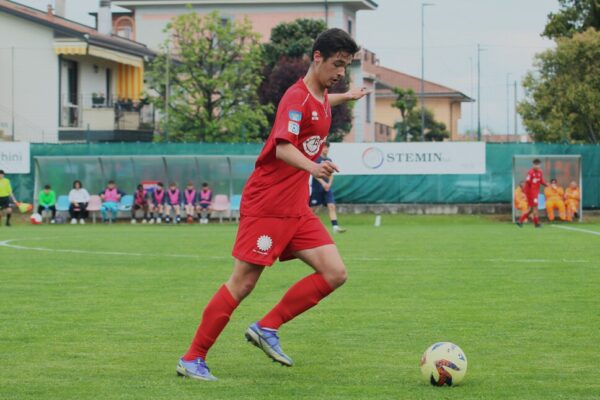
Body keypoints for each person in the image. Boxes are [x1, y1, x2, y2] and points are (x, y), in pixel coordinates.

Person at [176, 28, 366, 381]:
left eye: (347, 67)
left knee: (335, 273)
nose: (341, 73)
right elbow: (282, 147)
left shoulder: (322, 96)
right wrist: (315, 167)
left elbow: (323, 104)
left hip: (295, 207)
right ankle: (192, 358)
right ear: (318, 58)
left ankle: (267, 327)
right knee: (243, 283)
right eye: (338, 65)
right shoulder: (295, 99)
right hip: (267, 204)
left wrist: (349, 95)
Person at [309, 142, 346, 233]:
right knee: (312, 210)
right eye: (324, 147)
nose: (326, 149)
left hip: (327, 188)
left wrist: (328, 184)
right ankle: (306, 227)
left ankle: (335, 227)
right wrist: (322, 183)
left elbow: (331, 174)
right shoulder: (317, 159)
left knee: (331, 206)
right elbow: (314, 174)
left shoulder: (329, 160)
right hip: (317, 188)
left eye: (327, 148)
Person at [516, 159, 548, 228]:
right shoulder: (530, 172)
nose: (537, 166)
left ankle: (520, 221)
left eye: (538, 164)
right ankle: (536, 224)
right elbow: (527, 182)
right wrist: (527, 192)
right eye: (536, 164)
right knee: (535, 208)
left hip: (535, 192)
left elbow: (541, 180)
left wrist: (546, 184)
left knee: (531, 209)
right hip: (531, 193)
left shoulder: (540, 172)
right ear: (533, 165)